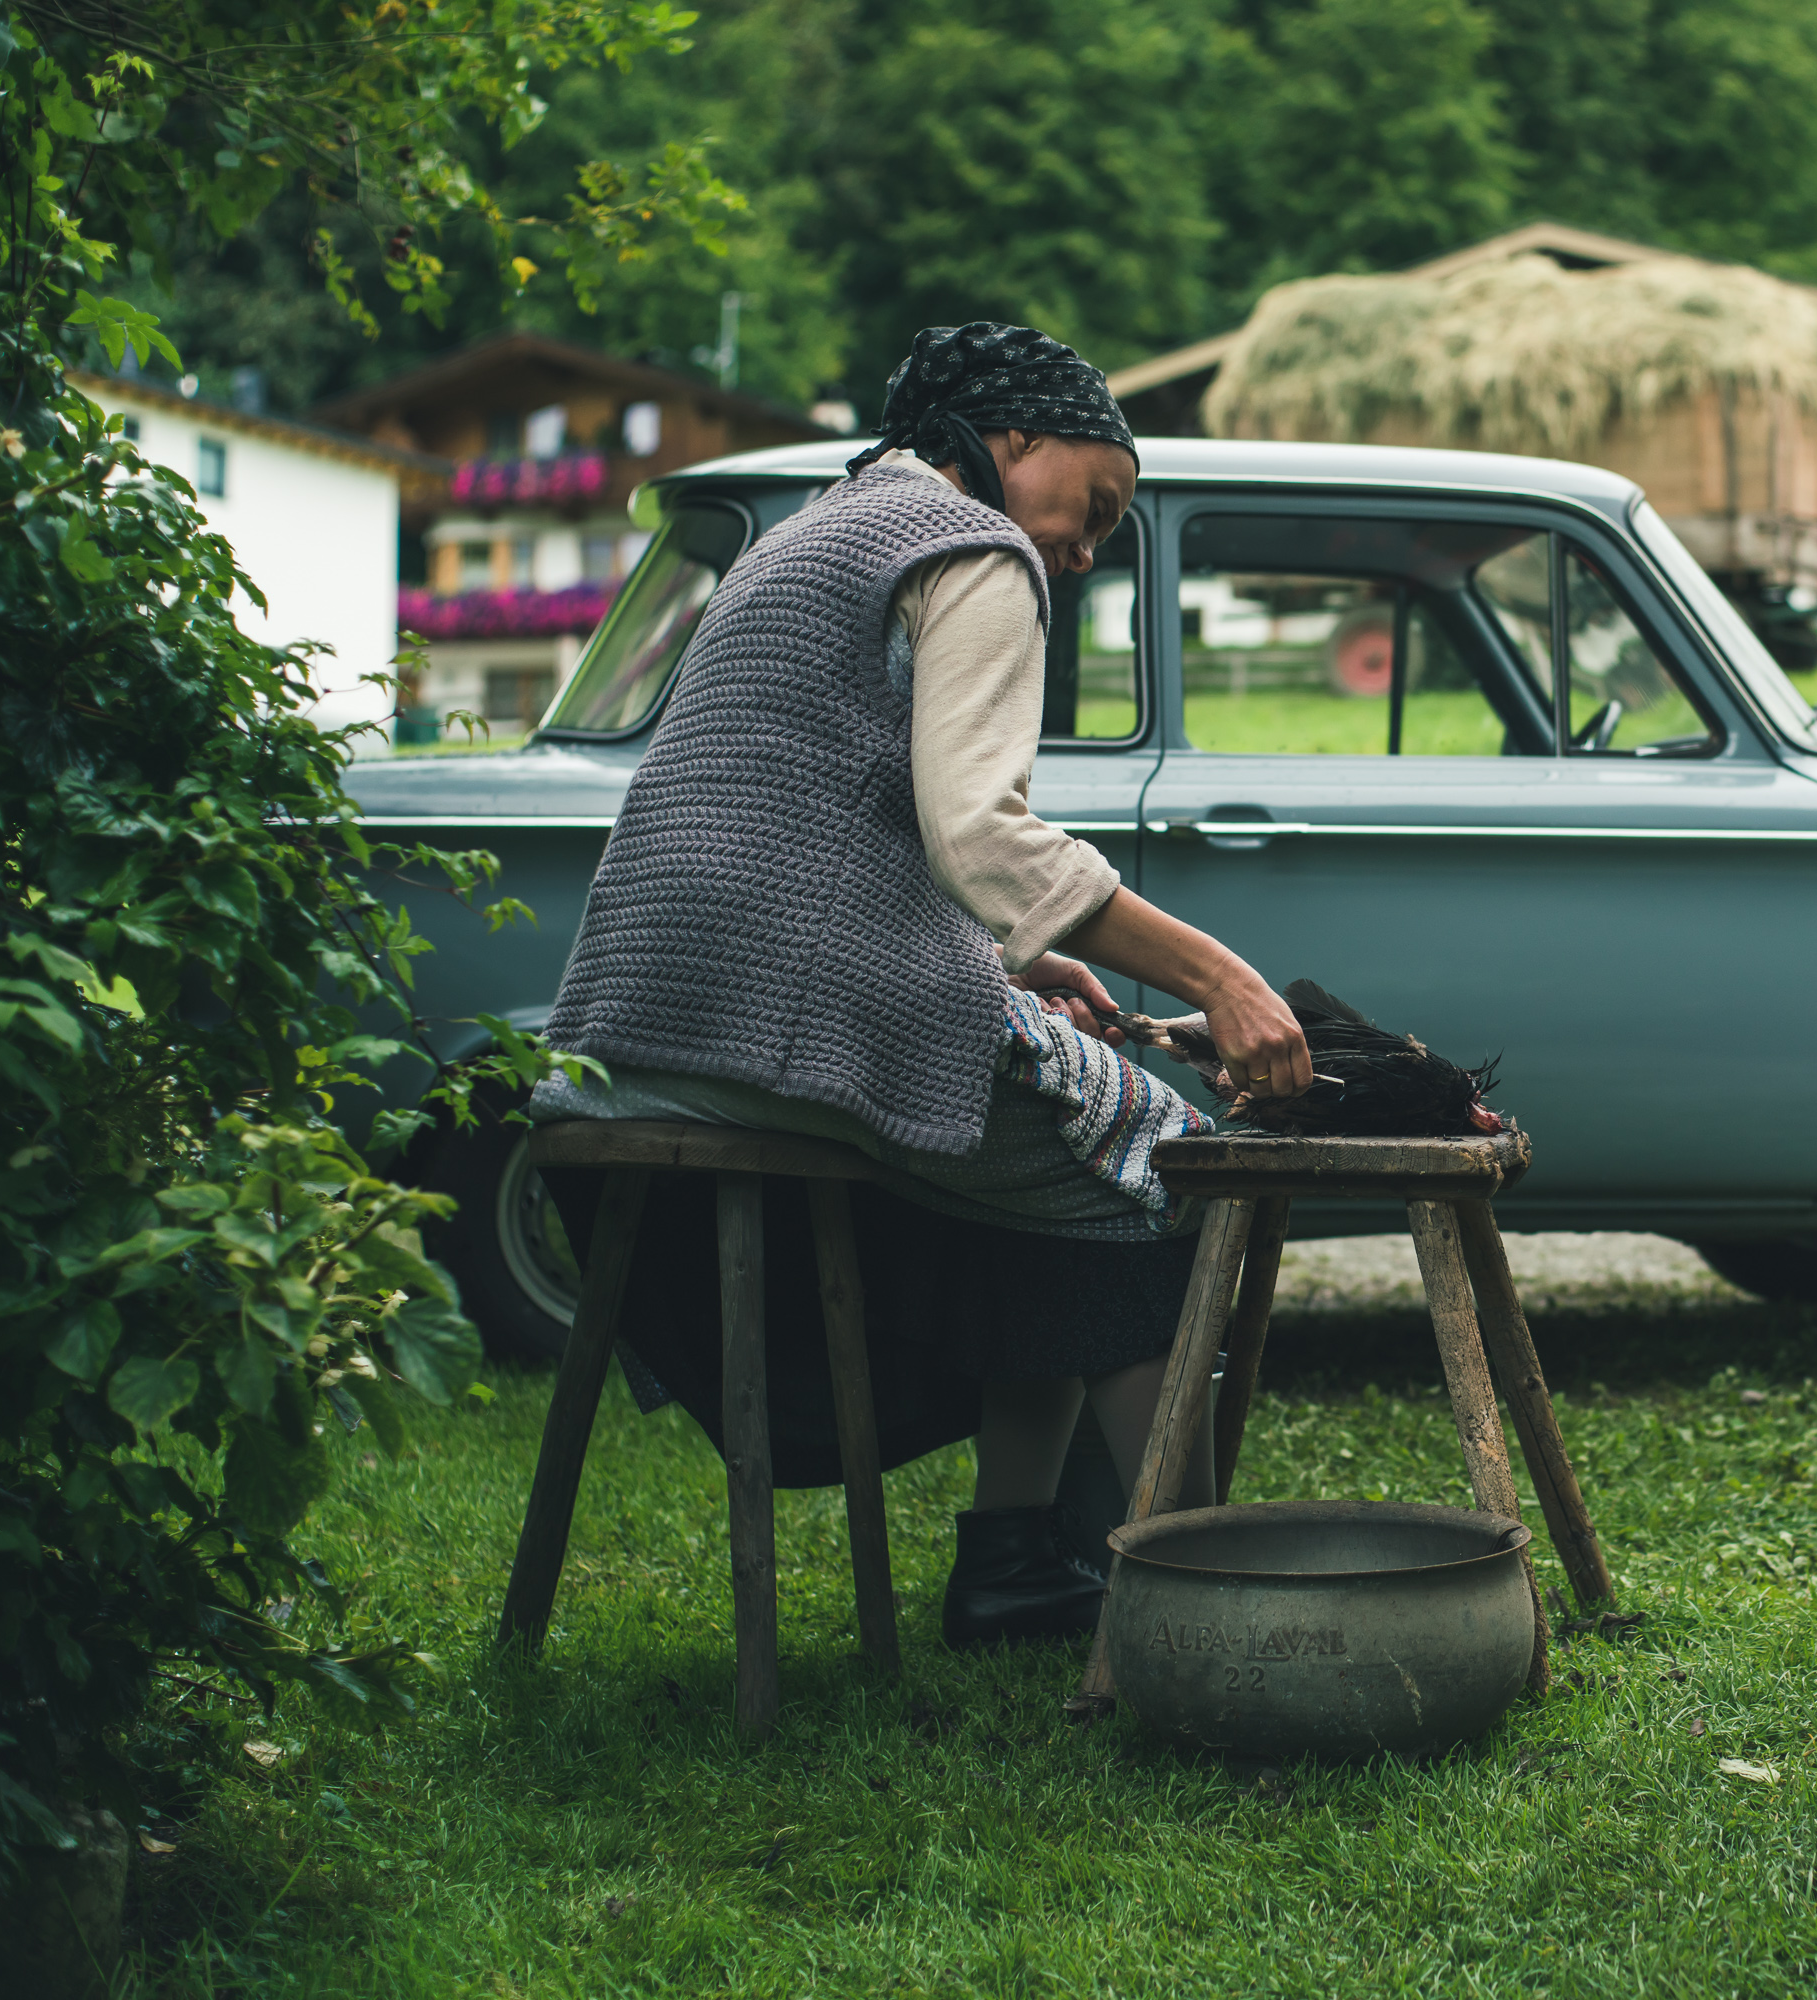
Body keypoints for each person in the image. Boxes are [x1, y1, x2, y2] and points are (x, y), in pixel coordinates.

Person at [536, 323, 1312, 1647]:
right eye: (1094, 507)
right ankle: (1208, 1597)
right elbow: (978, 831)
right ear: (1011, 444)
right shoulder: (977, 547)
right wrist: (1220, 978)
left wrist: (1018, 956)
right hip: (782, 1034)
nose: (1085, 548)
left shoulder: (814, 529)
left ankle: (1017, 1563)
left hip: (640, 1026)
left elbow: (824, 822)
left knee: (1065, 1155)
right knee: (1170, 1162)